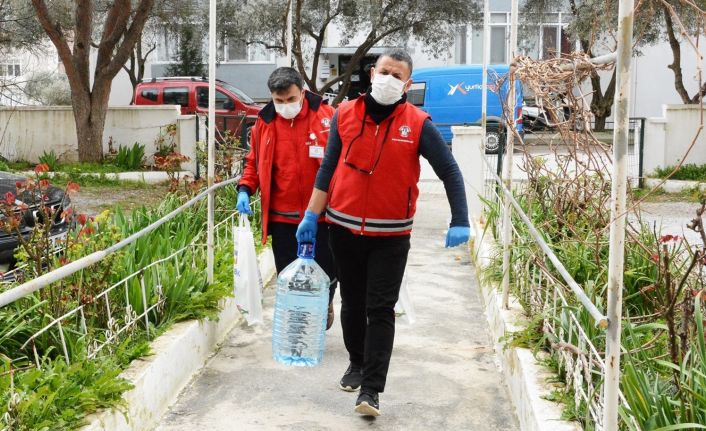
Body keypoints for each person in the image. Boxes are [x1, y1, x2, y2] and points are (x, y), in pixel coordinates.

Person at [296, 48, 471, 417]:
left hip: (391, 236)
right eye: (385, 72)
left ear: (407, 83)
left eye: (398, 76)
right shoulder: (344, 114)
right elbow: (327, 169)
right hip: (342, 228)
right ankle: (356, 362)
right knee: (352, 303)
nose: (389, 79)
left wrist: (460, 218)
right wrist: (311, 216)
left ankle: (372, 390)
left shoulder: (418, 123)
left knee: (380, 309)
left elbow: (450, 172)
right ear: (372, 73)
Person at [237, 67, 337, 328]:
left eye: (291, 99)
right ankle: (298, 322)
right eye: (279, 101)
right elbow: (253, 162)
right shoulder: (264, 122)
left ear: (302, 92)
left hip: (323, 215)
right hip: (283, 217)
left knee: (327, 270)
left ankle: (323, 305)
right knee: (288, 274)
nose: (285, 106)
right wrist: (245, 189)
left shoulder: (328, 117)